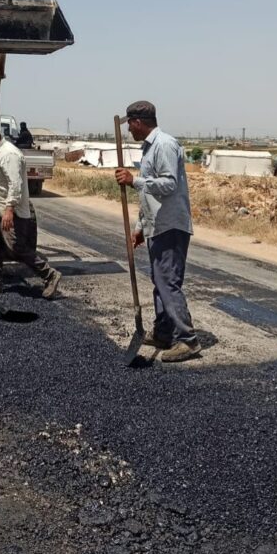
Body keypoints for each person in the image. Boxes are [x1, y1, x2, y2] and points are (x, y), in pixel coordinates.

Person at [114, 101, 200, 363]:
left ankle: (187, 340)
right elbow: (149, 197)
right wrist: (141, 228)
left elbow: (169, 184)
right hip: (157, 225)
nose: (128, 129)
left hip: (171, 225)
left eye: (130, 123)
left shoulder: (164, 144)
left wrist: (134, 180)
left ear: (139, 122)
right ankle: (164, 331)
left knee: (168, 282)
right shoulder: (149, 148)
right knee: (159, 280)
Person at [0, 118, 61, 299]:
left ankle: (50, 275)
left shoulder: (9, 154)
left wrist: (9, 209)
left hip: (11, 212)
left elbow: (15, 185)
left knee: (17, 248)